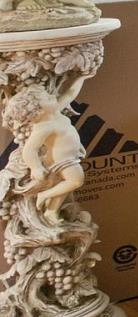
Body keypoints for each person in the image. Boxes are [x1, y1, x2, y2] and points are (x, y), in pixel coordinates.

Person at [2, 83, 86, 217]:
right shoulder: (44, 126)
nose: (52, 97)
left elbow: (70, 94)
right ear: (38, 110)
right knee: (76, 181)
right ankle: (44, 195)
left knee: (62, 184)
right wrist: (36, 168)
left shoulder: (54, 112)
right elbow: (29, 150)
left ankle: (51, 212)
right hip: (62, 160)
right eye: (47, 98)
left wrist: (81, 78)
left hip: (69, 156)